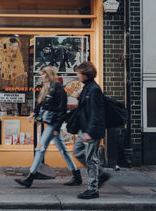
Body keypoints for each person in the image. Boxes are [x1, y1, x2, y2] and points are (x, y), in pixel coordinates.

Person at [14, 66, 81, 188]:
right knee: (63, 150)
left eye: (43, 75)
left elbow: (62, 110)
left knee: (40, 148)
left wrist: (56, 128)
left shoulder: (58, 88)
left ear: (49, 75)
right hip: (50, 122)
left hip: (53, 123)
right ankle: (77, 175)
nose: (41, 77)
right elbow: (42, 104)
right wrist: (34, 113)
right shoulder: (47, 88)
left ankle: (30, 177)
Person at [73, 62, 110, 199]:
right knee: (77, 151)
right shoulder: (87, 88)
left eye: (79, 73)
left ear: (86, 74)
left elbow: (96, 113)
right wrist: (80, 97)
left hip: (91, 130)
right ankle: (99, 174)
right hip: (84, 128)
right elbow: (86, 108)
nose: (78, 76)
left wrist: (89, 132)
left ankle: (93, 189)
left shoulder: (94, 89)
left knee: (91, 159)